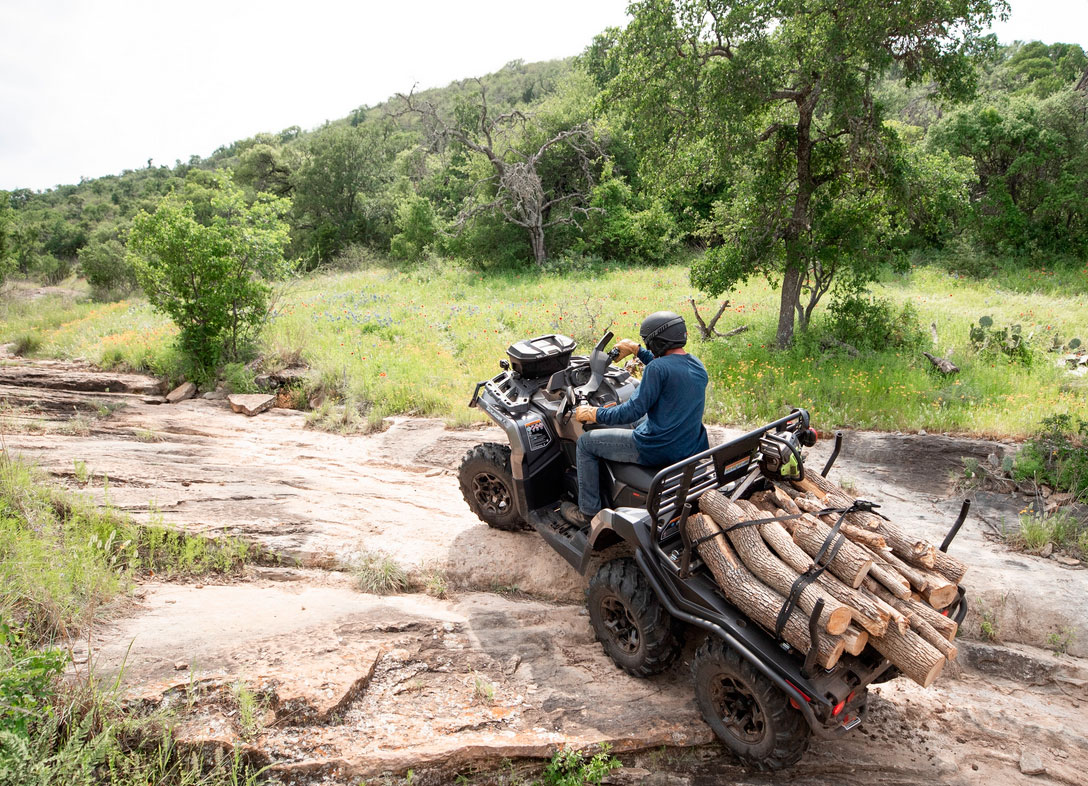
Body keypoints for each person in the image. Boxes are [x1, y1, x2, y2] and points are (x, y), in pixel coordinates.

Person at [561, 310, 709, 527]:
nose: (648, 347)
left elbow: (631, 411)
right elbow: (668, 369)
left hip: (658, 447)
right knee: (635, 424)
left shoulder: (657, 369)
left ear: (657, 341)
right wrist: (637, 351)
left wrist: (594, 413)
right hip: (687, 442)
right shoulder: (696, 364)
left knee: (585, 443)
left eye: (647, 344)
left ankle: (587, 512)